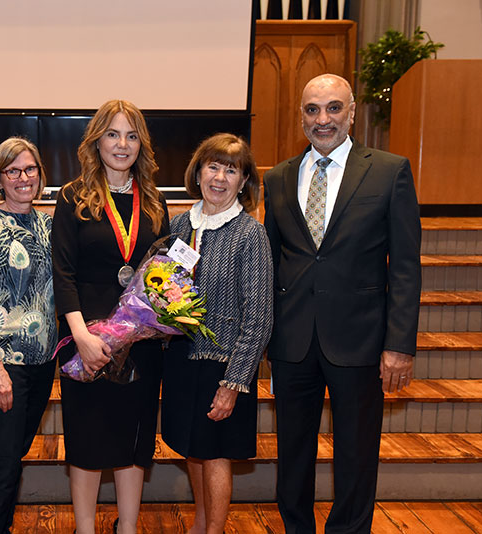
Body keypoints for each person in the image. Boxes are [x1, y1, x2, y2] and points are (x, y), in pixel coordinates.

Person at [263, 74, 421, 533]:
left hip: (361, 340)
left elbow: (406, 266)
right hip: (292, 342)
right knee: (293, 453)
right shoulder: (278, 178)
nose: (323, 119)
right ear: (301, 117)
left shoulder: (391, 171)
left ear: (352, 113)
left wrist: (400, 345)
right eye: (312, 109)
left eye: (334, 108)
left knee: (356, 452)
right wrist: (263, 342)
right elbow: (272, 264)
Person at [52, 99, 169, 534]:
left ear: (142, 144)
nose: (122, 144)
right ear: (96, 141)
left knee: (134, 440)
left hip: (141, 343)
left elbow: (165, 275)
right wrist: (81, 335)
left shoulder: (154, 202)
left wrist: (152, 322)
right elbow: (62, 272)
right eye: (113, 134)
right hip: (87, 344)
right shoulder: (72, 197)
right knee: (86, 435)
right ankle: (84, 528)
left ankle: (128, 528)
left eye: (132, 135)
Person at [162, 133, 273, 534]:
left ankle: (215, 530)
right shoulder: (178, 225)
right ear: (198, 170)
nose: (220, 178)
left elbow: (258, 318)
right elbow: (163, 290)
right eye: (213, 166)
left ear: (244, 181)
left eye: (232, 170)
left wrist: (235, 382)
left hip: (224, 366)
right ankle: (200, 522)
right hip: (181, 360)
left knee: (216, 455)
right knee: (192, 448)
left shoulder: (249, 234)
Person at [0, 137, 57, 534]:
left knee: (14, 457)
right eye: (14, 171)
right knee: (1, 465)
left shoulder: (49, 223)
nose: (24, 178)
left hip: (43, 363)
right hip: (6, 365)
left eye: (31, 169)